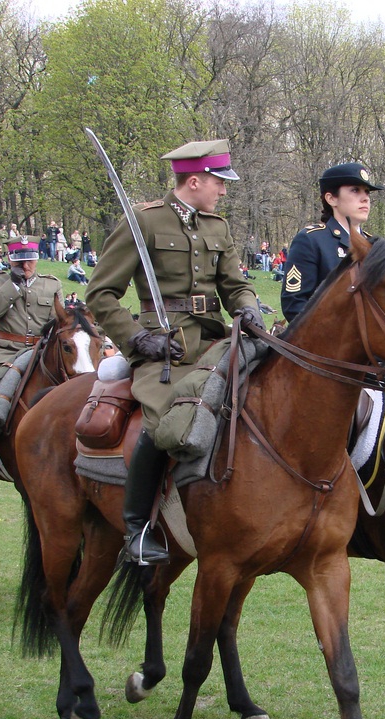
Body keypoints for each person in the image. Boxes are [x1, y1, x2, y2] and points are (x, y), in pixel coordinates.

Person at [87, 138, 261, 564]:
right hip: (163, 349)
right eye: (220, 182)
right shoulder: (145, 222)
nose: (223, 191)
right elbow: (101, 293)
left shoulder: (217, 227)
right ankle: (137, 527)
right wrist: (135, 339)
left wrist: (249, 309)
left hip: (215, 341)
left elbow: (234, 286)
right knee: (165, 417)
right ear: (196, 180)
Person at [0, 235, 63, 479]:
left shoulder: (51, 285)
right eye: (20, 261)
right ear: (10, 260)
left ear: (36, 259)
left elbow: (58, 321)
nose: (25, 266)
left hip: (39, 352)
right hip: (4, 350)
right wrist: (14, 285)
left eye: (29, 260)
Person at [280, 161, 383, 323]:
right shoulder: (311, 240)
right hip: (323, 344)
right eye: (355, 190)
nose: (365, 198)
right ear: (331, 198)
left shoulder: (374, 246)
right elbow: (294, 304)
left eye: (367, 192)